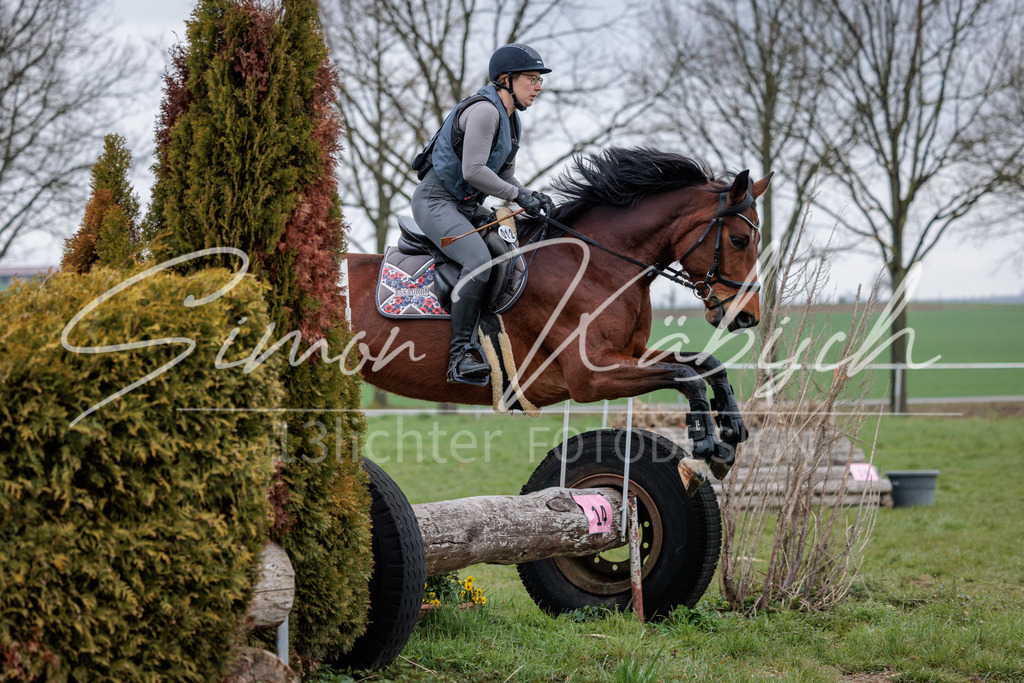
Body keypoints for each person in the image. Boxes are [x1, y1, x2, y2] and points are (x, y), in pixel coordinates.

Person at [411, 43, 555, 385]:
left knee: (508, 246)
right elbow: (474, 171)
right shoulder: (486, 112)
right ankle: (460, 354)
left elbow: (503, 178)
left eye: (540, 80)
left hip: (463, 204)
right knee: (478, 258)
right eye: (532, 79)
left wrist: (529, 196)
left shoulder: (512, 121)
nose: (538, 87)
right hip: (435, 201)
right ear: (506, 80)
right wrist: (519, 195)